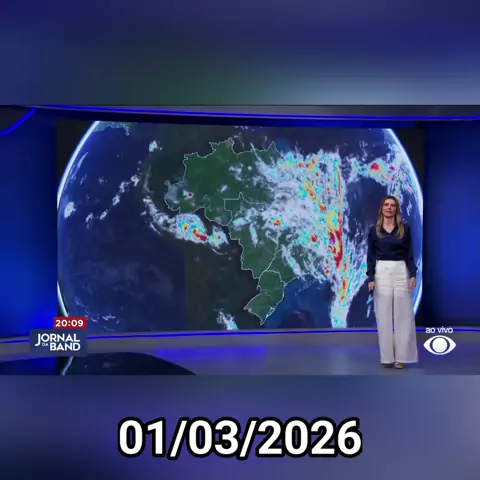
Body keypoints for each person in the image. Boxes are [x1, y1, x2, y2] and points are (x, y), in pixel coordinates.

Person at [367, 195, 418, 369]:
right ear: (382, 208)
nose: (389, 207)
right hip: (382, 271)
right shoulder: (374, 231)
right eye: (386, 205)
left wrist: (412, 274)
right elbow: (370, 256)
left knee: (403, 314)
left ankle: (402, 357)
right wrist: (371, 277)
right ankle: (387, 357)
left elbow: (410, 253)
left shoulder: (405, 229)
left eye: (392, 205)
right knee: (383, 315)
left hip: (401, 270)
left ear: (396, 209)